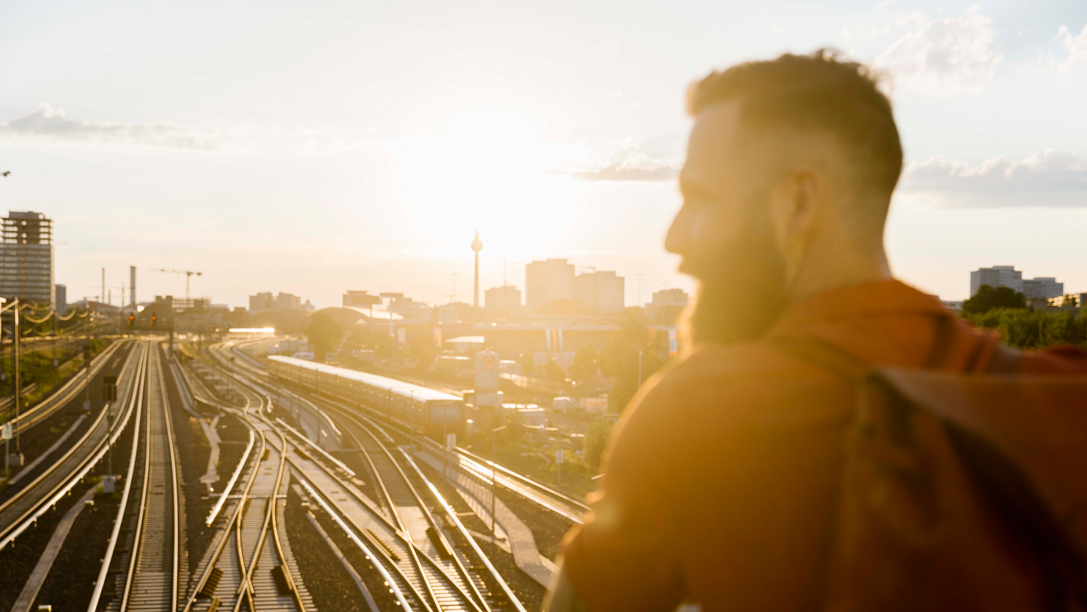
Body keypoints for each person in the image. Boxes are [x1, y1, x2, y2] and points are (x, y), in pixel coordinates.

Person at [544, 49, 1087, 612]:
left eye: (700, 199)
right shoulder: (1054, 400)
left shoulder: (701, 410)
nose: (675, 237)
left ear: (799, 202)